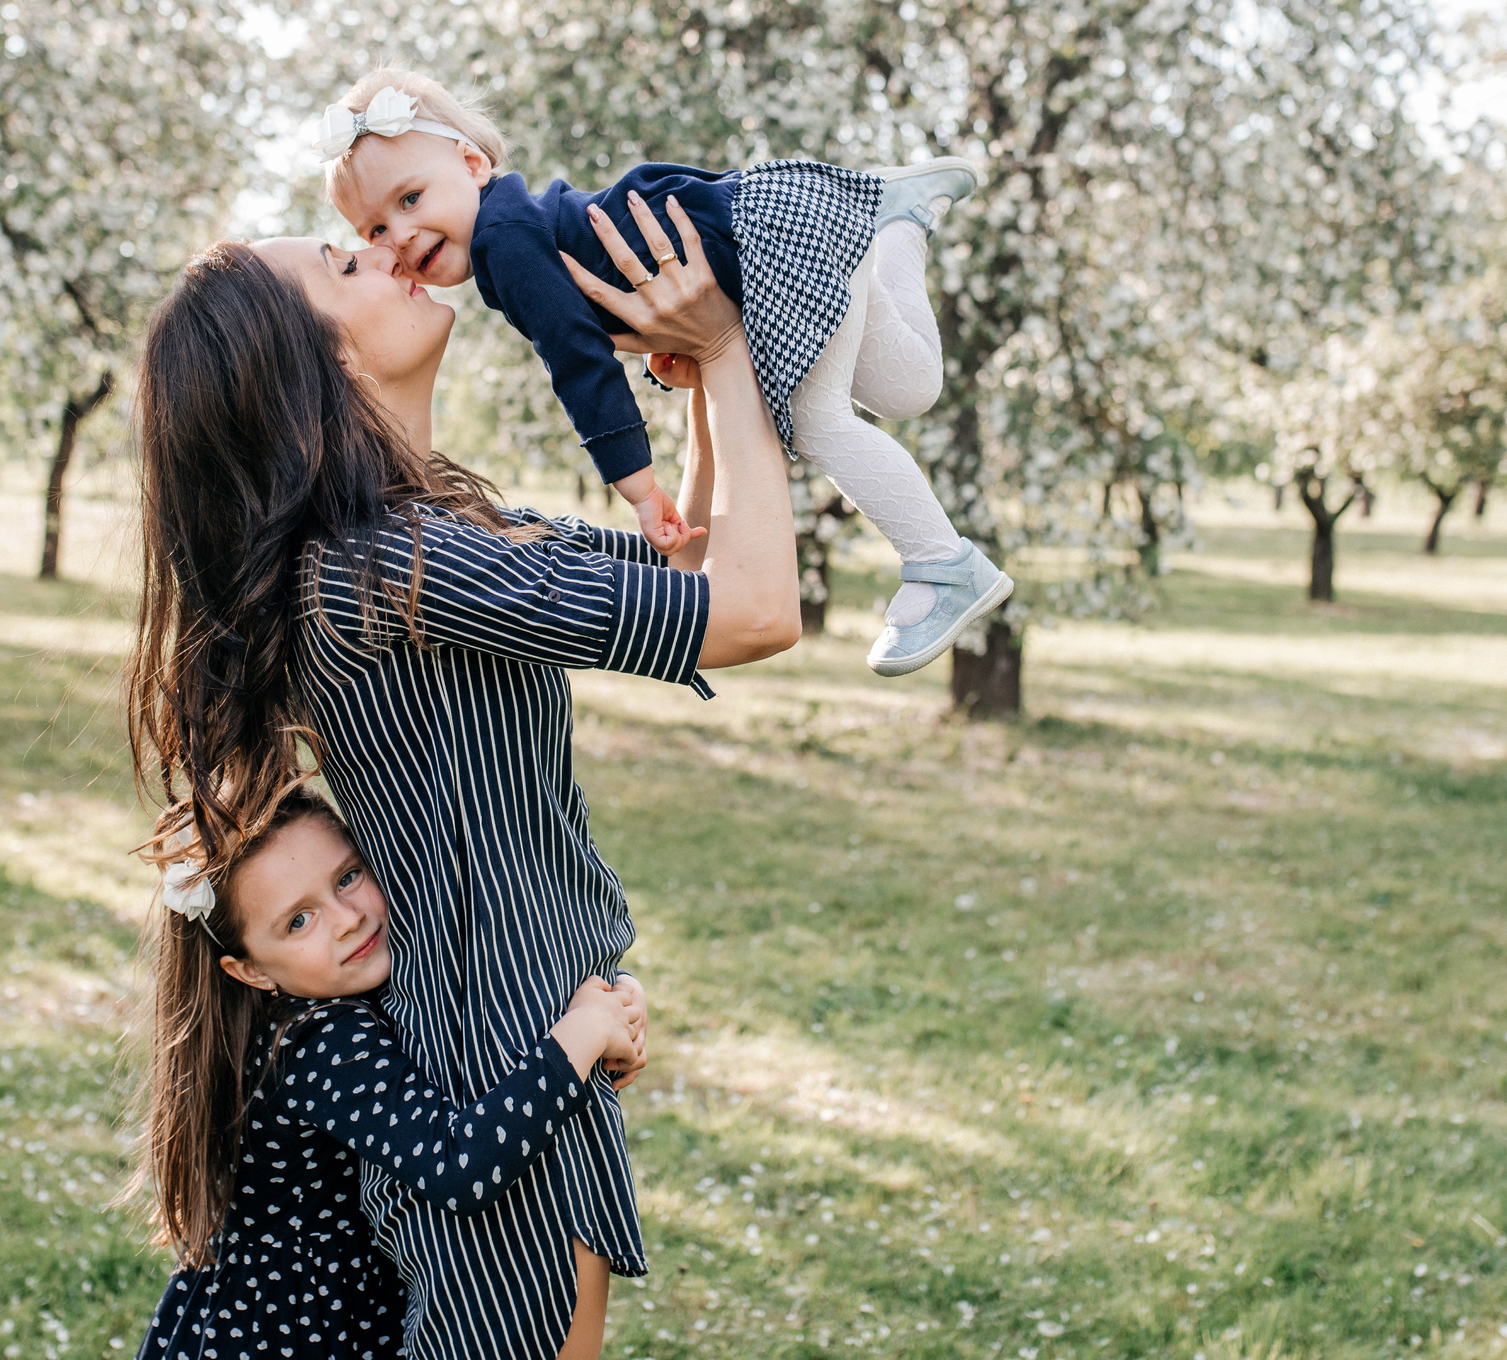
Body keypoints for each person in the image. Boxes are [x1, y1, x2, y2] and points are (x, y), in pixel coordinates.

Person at [128, 200, 798, 1360]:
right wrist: (732, 352)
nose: (387, 248)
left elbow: (687, 565)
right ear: (318, 365)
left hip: (522, 1033)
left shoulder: (423, 531)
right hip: (504, 1063)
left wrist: (689, 374)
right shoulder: (381, 568)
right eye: (346, 262)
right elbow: (751, 610)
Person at [310, 68, 1014, 676]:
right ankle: (900, 224)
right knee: (909, 387)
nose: (397, 237)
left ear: (470, 164)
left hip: (761, 255)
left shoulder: (503, 240)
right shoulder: (523, 219)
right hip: (790, 222)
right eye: (372, 230)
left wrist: (638, 485)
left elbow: (575, 359)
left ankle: (942, 563)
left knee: (814, 420)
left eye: (409, 200)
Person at [130, 786, 648, 1360]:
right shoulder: (319, 1044)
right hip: (292, 1334)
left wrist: (618, 994)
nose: (348, 921)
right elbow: (459, 1166)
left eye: (348, 877)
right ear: (249, 970)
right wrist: (579, 1037)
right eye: (299, 921)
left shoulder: (348, 991)